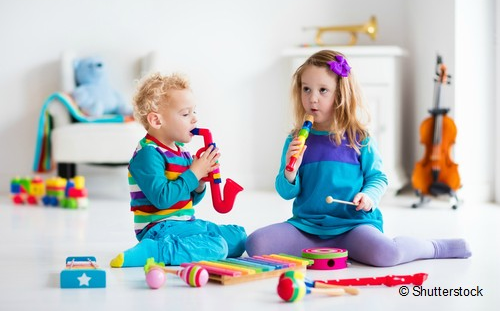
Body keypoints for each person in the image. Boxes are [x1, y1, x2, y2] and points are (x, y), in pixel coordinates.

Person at [245, 50, 471, 267]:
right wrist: (290, 171)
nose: (312, 99)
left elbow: (378, 178)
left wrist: (368, 196)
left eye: (323, 90)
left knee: (388, 254)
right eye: (306, 89)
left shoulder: (359, 138)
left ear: (341, 95)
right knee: (256, 243)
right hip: (308, 228)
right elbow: (286, 193)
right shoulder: (295, 140)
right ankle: (330, 252)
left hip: (353, 226)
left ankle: (434, 247)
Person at [110, 72, 246, 267]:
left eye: (194, 112)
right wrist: (194, 173)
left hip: (185, 223)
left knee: (239, 237)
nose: (194, 119)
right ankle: (154, 251)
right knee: (218, 247)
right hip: (158, 228)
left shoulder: (181, 152)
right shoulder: (148, 154)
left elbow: (188, 200)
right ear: (157, 121)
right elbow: (163, 198)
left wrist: (199, 183)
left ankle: (186, 246)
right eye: (185, 114)